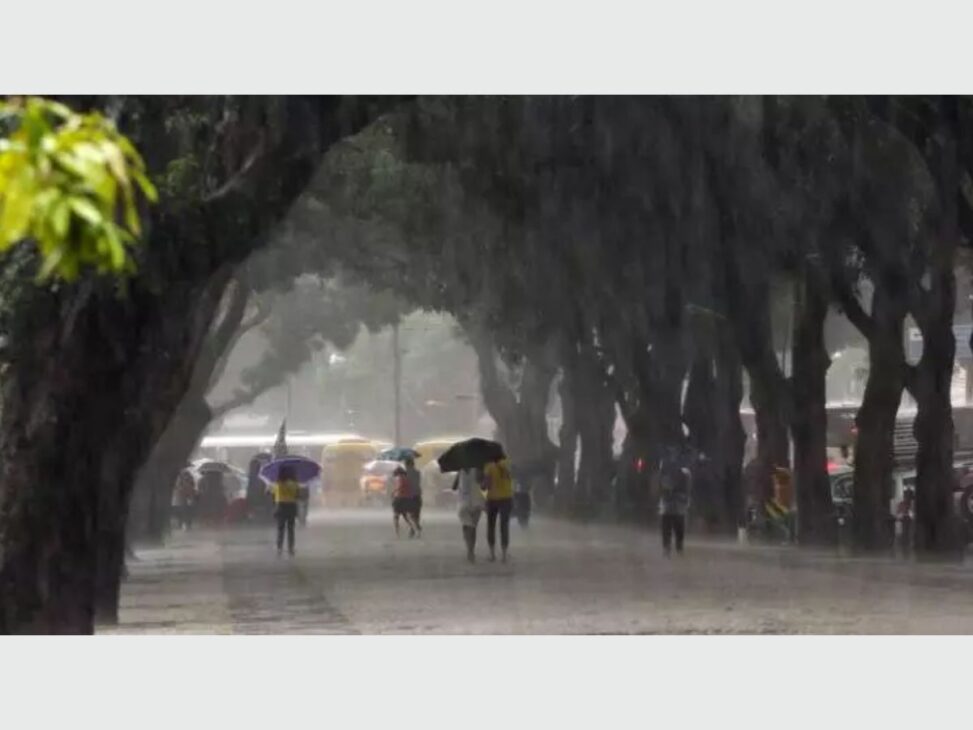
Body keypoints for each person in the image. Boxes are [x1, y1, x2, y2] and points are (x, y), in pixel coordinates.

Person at [658, 448, 691, 556]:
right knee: (676, 526)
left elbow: (660, 485)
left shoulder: (666, 468)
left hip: (672, 501)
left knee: (671, 525)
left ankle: (671, 546)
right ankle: (674, 546)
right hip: (674, 501)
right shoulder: (681, 470)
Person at [483, 457, 514, 562]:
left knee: (491, 526)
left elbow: (485, 485)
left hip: (492, 499)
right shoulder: (507, 463)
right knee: (504, 526)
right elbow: (511, 478)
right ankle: (504, 555)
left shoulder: (489, 466)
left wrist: (482, 485)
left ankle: (492, 554)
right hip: (507, 498)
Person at [454, 467, 486, 562]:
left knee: (466, 526)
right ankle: (471, 550)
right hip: (477, 502)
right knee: (473, 528)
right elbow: (484, 486)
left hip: (464, 502)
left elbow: (454, 486)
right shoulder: (480, 470)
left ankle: (469, 549)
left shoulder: (461, 469)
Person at [270, 464, 301, 556]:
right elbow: (298, 496)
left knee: (280, 529)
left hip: (280, 506)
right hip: (291, 507)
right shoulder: (295, 484)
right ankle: (291, 548)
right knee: (291, 529)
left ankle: (279, 548)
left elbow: (271, 494)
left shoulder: (277, 483)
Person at [391, 465, 419, 538]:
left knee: (396, 517)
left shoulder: (399, 478)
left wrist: (394, 491)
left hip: (399, 498)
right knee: (407, 516)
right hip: (407, 498)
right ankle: (416, 530)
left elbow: (399, 486)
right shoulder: (407, 478)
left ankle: (397, 534)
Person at [403, 457, 423, 537]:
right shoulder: (418, 472)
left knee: (409, 514)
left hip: (408, 495)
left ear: (407, 465)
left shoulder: (405, 473)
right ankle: (415, 527)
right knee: (417, 513)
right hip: (417, 494)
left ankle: (414, 527)